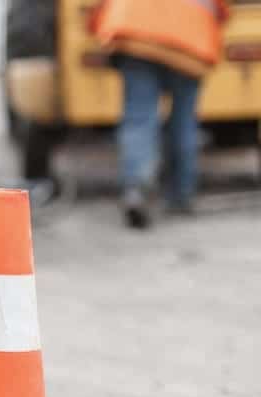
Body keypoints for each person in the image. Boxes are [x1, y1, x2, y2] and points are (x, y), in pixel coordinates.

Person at [90, 0, 230, 228]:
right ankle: (180, 195)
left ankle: (137, 189)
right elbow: (222, 11)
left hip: (136, 35)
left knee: (139, 118)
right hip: (189, 41)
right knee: (184, 121)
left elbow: (100, 10)